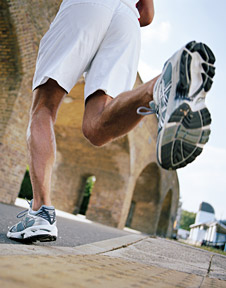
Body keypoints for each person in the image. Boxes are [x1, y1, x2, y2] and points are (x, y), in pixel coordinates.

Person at [7, 0, 215, 243]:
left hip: (86, 6)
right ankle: (158, 87)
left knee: (43, 108)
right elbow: (146, 15)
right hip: (127, 22)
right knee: (96, 128)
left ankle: (40, 213)